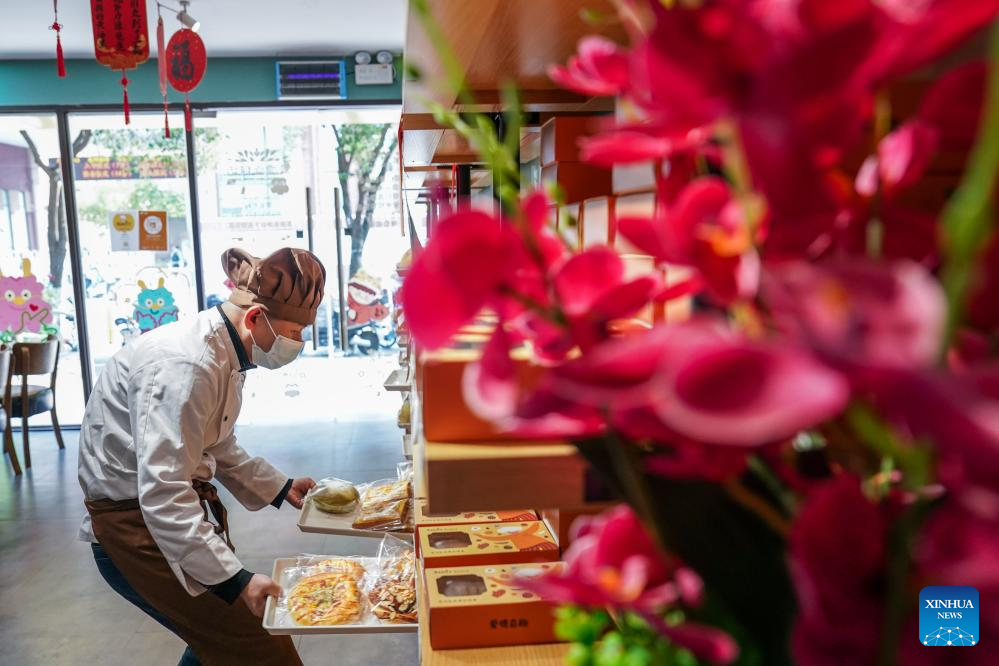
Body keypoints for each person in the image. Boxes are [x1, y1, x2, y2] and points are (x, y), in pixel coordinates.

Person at [78, 247, 326, 666]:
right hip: (135, 531)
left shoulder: (224, 351)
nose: (297, 344)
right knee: (259, 644)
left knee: (217, 639)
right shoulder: (187, 365)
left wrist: (280, 487)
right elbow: (162, 490)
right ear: (254, 318)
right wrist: (235, 580)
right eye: (294, 333)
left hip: (159, 519)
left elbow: (214, 442)